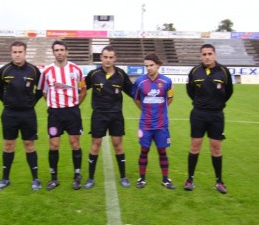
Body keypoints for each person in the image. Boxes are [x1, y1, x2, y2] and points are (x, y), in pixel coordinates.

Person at [184, 44, 233, 194]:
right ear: (200, 56)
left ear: (214, 54)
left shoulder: (223, 71)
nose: (207, 56)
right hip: (198, 114)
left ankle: (219, 181)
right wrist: (201, 103)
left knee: (216, 147)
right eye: (204, 54)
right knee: (195, 146)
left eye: (209, 53)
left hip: (216, 115)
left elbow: (229, 92)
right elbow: (190, 91)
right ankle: (190, 179)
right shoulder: (194, 71)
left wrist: (217, 104)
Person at [38, 40, 86, 191]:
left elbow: (83, 90)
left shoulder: (76, 70)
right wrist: (53, 105)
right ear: (53, 52)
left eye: (62, 50)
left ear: (67, 52)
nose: (59, 52)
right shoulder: (47, 71)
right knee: (54, 145)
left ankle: (77, 176)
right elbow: (44, 92)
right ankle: (54, 178)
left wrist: (75, 104)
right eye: (56, 50)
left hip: (72, 112)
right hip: (55, 114)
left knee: (74, 143)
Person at [0, 41, 43, 190]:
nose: (17, 55)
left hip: (28, 114)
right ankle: (5, 178)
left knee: (29, 145)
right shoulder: (4, 70)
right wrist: (8, 102)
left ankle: (35, 179)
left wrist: (31, 102)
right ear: (11, 53)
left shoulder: (34, 71)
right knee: (8, 145)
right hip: (10, 114)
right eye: (15, 52)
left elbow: (40, 90)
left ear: (25, 52)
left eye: (20, 52)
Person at [83, 45, 133, 189]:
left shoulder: (121, 74)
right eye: (105, 57)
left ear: (115, 59)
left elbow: (132, 92)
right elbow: (81, 88)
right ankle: (90, 178)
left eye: (111, 57)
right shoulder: (93, 74)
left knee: (118, 145)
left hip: (116, 115)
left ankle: (123, 177)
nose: (108, 60)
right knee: (95, 145)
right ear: (101, 58)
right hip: (98, 115)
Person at [132, 53, 175, 189]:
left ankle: (165, 179)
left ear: (158, 65)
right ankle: (142, 179)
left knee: (162, 151)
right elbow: (137, 99)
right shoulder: (140, 82)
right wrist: (145, 111)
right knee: (144, 150)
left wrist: (161, 110)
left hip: (162, 124)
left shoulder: (167, 82)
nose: (149, 68)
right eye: (146, 66)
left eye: (151, 65)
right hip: (145, 124)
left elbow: (170, 98)